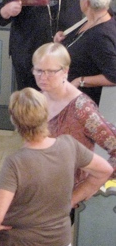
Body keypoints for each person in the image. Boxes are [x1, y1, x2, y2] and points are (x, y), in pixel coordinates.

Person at [0, 88, 112, 246]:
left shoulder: (14, 163)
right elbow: (104, 170)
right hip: (60, 245)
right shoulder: (69, 145)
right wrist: (73, 199)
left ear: (14, 119)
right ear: (46, 114)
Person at [32, 43, 116, 186]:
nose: (43, 77)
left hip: (68, 193)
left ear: (65, 71)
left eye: (50, 71)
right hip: (40, 187)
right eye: (38, 70)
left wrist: (86, 189)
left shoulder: (82, 108)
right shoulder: (37, 99)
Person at [54, 0, 116, 105]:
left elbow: (113, 75)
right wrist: (61, 42)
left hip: (84, 103)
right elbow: (80, 43)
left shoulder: (101, 35)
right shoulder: (94, 18)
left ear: (86, 3)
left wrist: (80, 80)